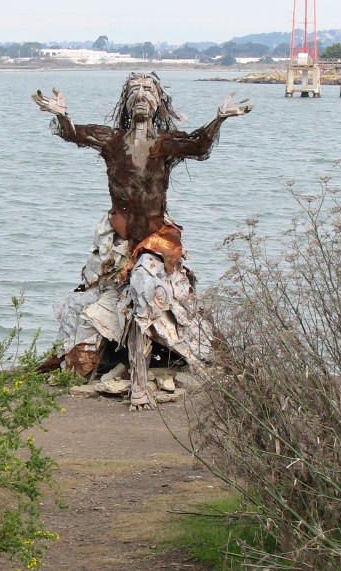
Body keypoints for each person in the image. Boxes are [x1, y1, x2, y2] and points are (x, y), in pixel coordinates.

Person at [33, 72, 252, 409]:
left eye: (148, 90)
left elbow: (199, 145)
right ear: (125, 101)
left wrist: (219, 119)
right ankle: (82, 365)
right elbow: (73, 133)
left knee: (142, 285)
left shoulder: (164, 144)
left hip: (156, 238)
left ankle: (138, 383)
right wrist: (62, 115)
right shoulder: (112, 142)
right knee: (85, 298)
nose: (141, 95)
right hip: (118, 238)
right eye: (134, 90)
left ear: (158, 102)